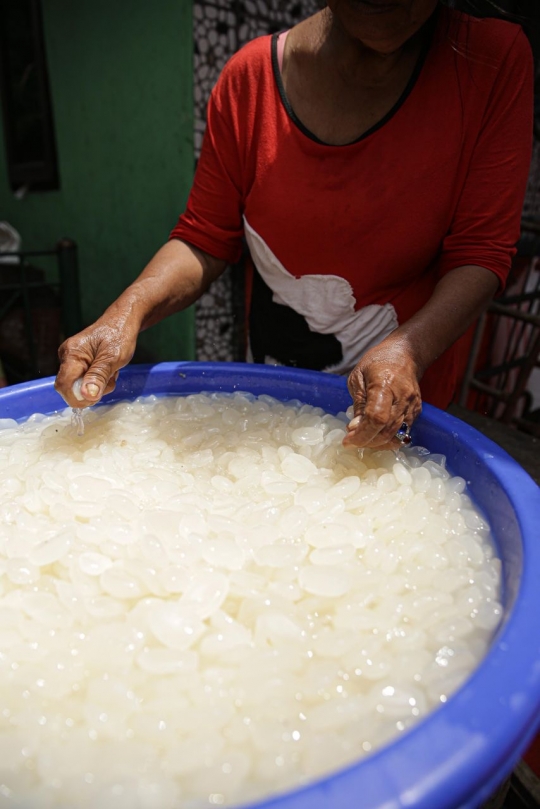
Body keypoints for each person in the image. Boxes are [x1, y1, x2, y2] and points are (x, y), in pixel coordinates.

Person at [55, 0, 534, 449]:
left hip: (400, 413)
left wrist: (407, 351)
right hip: (270, 402)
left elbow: (479, 253)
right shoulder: (249, 79)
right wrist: (126, 313)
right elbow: (204, 239)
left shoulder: (491, 62)